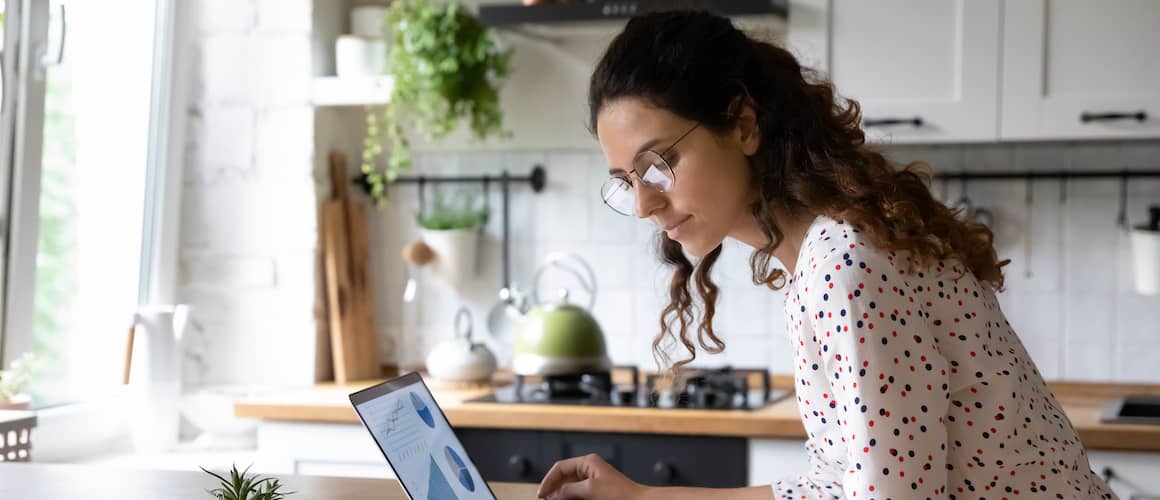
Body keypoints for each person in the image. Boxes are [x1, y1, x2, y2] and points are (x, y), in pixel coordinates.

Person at [535, 9, 1117, 500]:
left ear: (742, 124)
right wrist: (643, 497)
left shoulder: (846, 266)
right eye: (626, 178)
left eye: (659, 163)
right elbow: (835, 485)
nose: (643, 205)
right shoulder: (824, 255)